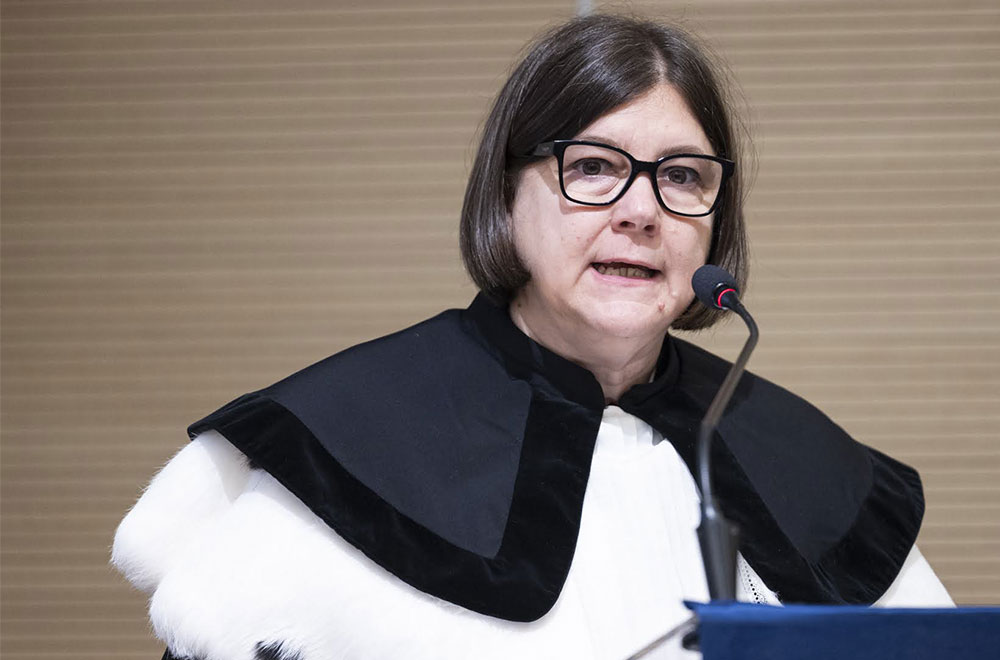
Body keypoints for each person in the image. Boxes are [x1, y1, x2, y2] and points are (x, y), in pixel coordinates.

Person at [112, 14, 952, 660]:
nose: (641, 210)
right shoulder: (346, 439)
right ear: (506, 197)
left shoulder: (801, 455)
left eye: (682, 176)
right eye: (593, 167)